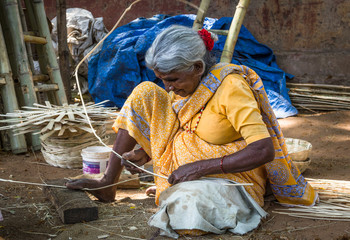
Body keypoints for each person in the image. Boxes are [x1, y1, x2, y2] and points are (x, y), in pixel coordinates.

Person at [67, 25, 317, 237]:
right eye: (163, 79)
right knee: (144, 92)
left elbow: (264, 150)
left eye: (173, 79)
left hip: (229, 178)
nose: (169, 87)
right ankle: (108, 182)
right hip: (186, 171)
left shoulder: (231, 88)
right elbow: (180, 126)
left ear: (198, 67)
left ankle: (182, 194)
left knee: (188, 208)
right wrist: (145, 153)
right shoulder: (186, 86)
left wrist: (199, 168)